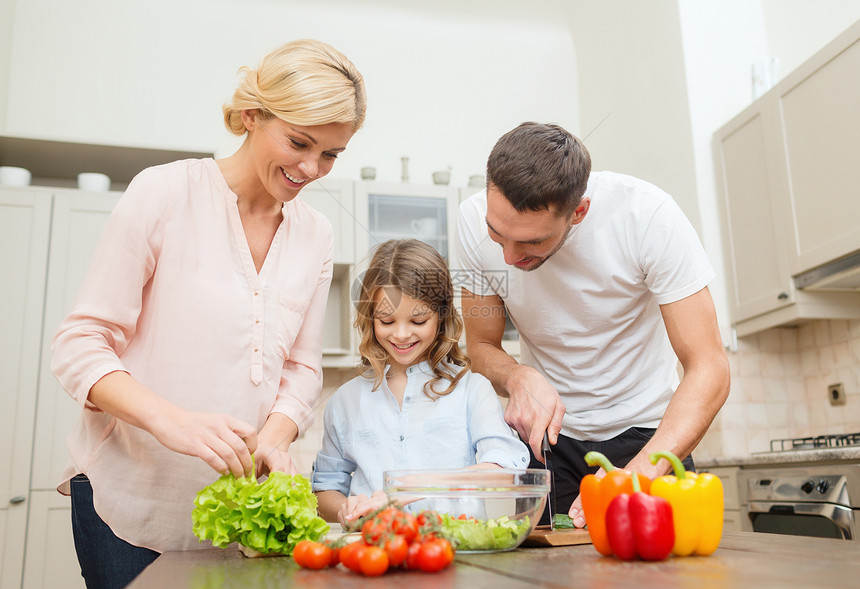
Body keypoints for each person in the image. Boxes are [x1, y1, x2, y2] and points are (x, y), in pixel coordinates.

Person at [50, 39, 366, 588]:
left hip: (238, 519)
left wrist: (276, 436)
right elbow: (80, 344)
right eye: (299, 142)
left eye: (331, 154)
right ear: (250, 116)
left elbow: (301, 370)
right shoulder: (164, 193)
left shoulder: (316, 234)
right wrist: (170, 420)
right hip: (130, 505)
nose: (312, 168)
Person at [454, 122, 730, 528]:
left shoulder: (647, 216)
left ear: (578, 212)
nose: (510, 258)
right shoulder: (471, 219)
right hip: (547, 441)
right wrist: (517, 376)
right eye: (498, 236)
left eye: (532, 243)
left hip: (651, 436)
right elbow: (480, 348)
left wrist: (641, 473)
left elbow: (710, 366)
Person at [312, 239, 530, 525]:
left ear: (441, 316)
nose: (401, 335)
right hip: (375, 553)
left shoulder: (471, 389)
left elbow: (505, 470)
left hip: (454, 555)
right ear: (370, 318)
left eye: (417, 321)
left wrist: (413, 487)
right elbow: (325, 489)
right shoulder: (344, 401)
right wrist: (345, 510)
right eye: (387, 321)